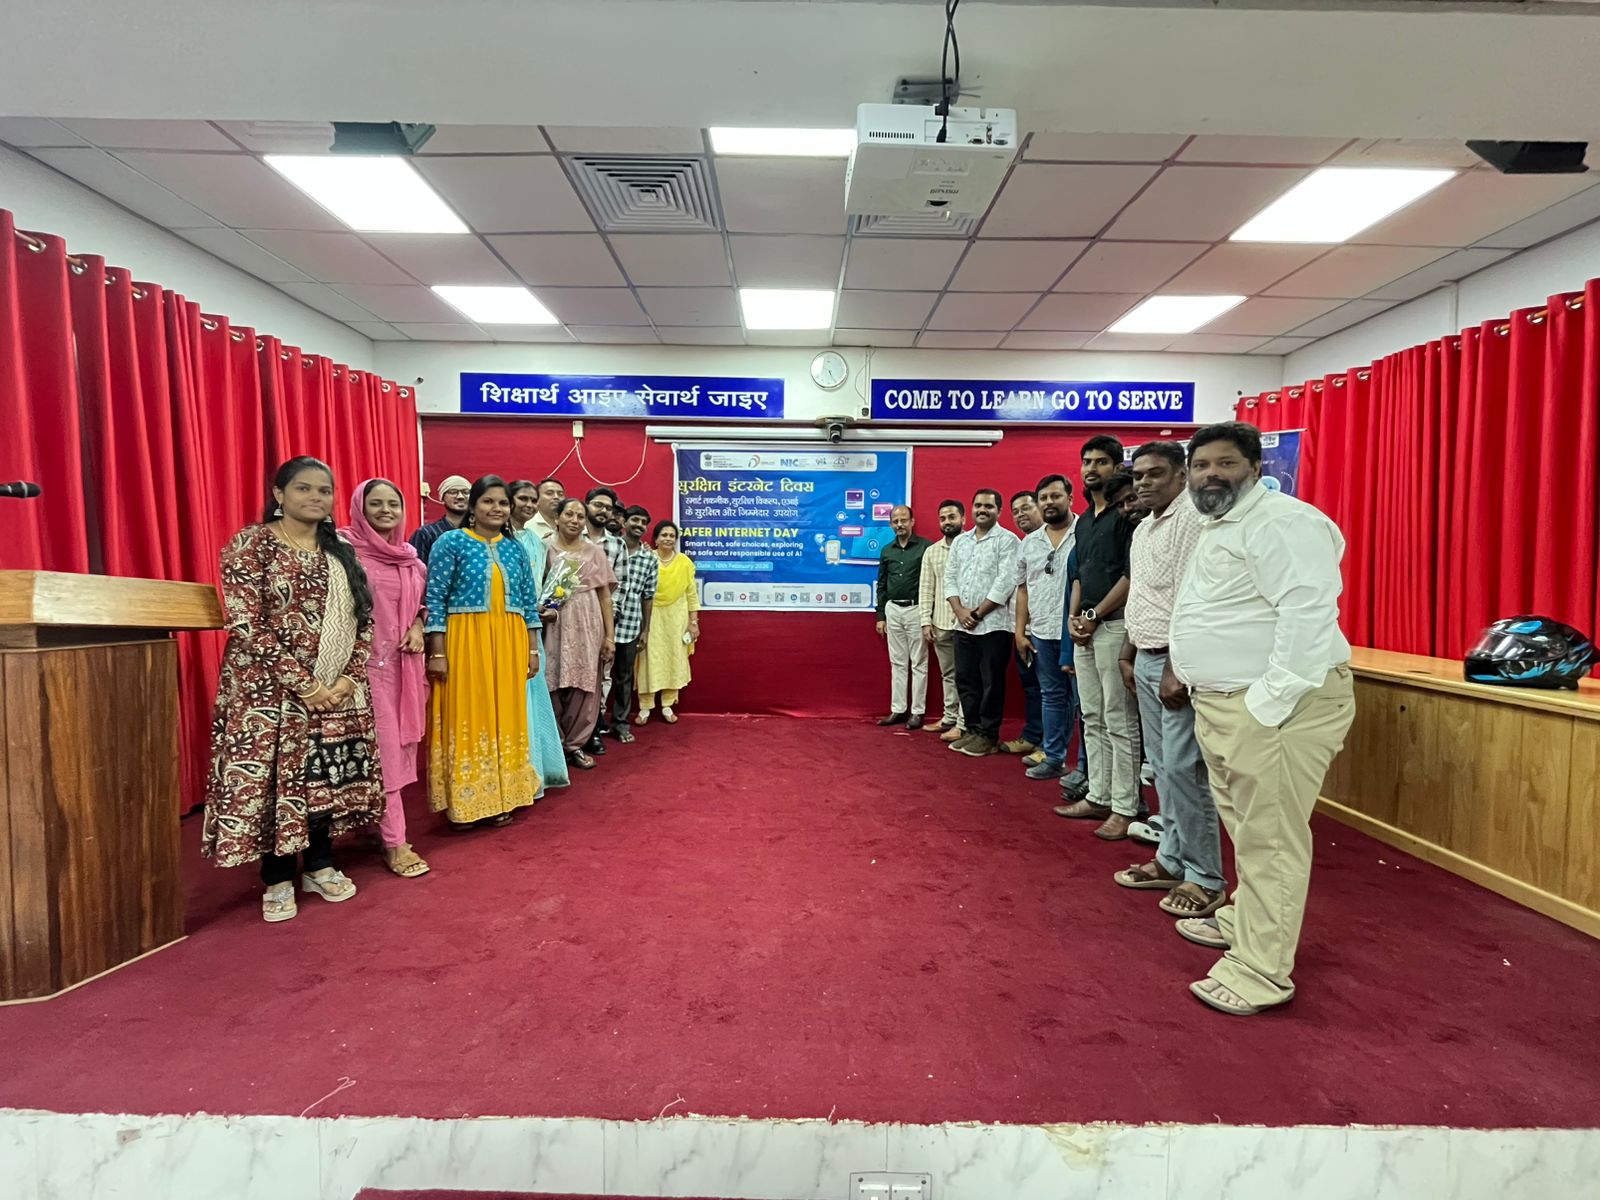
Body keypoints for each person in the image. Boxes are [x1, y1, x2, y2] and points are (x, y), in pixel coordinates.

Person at [1169, 422, 1355, 1017]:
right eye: (1201, 465)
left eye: (1224, 463)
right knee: (1246, 827)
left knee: (1270, 839)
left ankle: (1260, 970)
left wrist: (1266, 705)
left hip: (1274, 708)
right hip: (1224, 704)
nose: (1210, 475)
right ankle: (1243, 922)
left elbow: (1308, 616)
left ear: (1254, 467)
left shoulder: (1284, 522)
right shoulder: (1223, 524)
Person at [203, 456, 385, 923]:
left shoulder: (341, 551)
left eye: (324, 490)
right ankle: (278, 876)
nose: (316, 497)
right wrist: (305, 685)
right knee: (276, 784)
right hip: (267, 692)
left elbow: (364, 619)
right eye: (304, 488)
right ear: (279, 494)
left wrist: (347, 678)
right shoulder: (252, 544)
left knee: (323, 778)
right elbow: (246, 622)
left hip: (336, 691)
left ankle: (320, 864)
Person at [1110, 442, 1225, 918]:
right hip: (1146, 657)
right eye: (1138, 475)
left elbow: (1191, 599)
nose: (1143, 483)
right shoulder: (1145, 528)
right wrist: (1128, 652)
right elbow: (1145, 597)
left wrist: (1176, 666)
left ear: (1182, 475)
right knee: (1161, 767)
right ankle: (1172, 858)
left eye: (1155, 474)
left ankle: (1206, 877)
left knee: (1183, 769)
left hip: (1178, 665)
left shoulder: (1192, 521)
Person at [424, 475, 543, 827]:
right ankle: (467, 802)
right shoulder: (451, 542)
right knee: (468, 713)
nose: (497, 508)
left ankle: (506, 795)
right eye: (488, 501)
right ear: (473, 507)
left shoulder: (515, 548)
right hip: (465, 641)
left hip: (509, 640)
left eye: (503, 502)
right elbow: (435, 599)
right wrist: (437, 652)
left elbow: (529, 603)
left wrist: (532, 650)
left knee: (507, 713)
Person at [341, 478, 431, 879]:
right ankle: (396, 842)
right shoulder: (344, 553)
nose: (385, 511)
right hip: (360, 671)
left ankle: (376, 829)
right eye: (375, 504)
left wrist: (418, 625)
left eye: (393, 504)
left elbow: (421, 606)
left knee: (394, 749)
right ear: (359, 509)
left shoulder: (411, 560)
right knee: (383, 753)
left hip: (403, 669)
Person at [1063, 435, 1142, 840]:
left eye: (1101, 462)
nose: (1091, 469)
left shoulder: (1127, 514)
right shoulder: (1083, 521)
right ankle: (1099, 795)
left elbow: (1131, 575)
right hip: (1085, 629)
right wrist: (1075, 617)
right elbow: (1079, 574)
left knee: (1119, 719)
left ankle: (1126, 807)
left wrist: (1094, 616)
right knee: (1091, 715)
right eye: (1086, 462)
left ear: (1117, 466)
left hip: (1115, 626)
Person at [944, 488, 1020, 758]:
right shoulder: (961, 542)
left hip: (994, 625)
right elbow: (950, 577)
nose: (982, 510)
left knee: (991, 682)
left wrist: (976, 614)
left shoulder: (1008, 541)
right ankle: (972, 730)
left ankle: (988, 735)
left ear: (999, 511)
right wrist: (959, 610)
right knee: (966, 680)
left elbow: (1006, 582)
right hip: (962, 624)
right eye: (978, 505)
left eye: (988, 506)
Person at [543, 497, 618, 768]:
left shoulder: (595, 552)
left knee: (585, 684)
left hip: (588, 623)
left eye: (580, 516)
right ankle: (555, 746)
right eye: (569, 514)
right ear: (557, 518)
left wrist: (609, 637)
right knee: (552, 681)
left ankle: (574, 745)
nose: (575, 520)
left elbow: (605, 597)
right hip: (553, 623)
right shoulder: (543, 549)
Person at [1014, 474, 1077, 782]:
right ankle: (1053, 757)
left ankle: (1088, 768)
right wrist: (1020, 631)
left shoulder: (1084, 532)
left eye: (1055, 496)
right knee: (1051, 695)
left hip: (1078, 633)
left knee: (1083, 703)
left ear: (1070, 498)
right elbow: (1023, 589)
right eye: (1044, 498)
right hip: (1041, 630)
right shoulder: (1030, 542)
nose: (1049, 502)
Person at [511, 503, 572, 795]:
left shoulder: (537, 543)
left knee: (533, 695)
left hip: (532, 627)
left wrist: (549, 607)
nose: (527, 504)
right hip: (503, 626)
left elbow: (548, 583)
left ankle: (537, 766)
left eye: (530, 499)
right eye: (520, 498)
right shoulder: (499, 543)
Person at [636, 520, 699, 724]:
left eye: (672, 536)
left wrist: (693, 622)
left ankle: (667, 704)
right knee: (648, 658)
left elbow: (691, 594)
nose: (668, 539)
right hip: (650, 615)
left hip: (676, 617)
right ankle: (645, 706)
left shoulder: (684, 562)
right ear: (656, 539)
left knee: (674, 657)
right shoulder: (647, 558)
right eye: (664, 535)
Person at [875, 504, 932, 729]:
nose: (899, 524)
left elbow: (933, 582)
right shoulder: (886, 551)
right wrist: (881, 615)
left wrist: (928, 616)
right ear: (891, 524)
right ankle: (898, 709)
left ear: (912, 522)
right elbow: (881, 584)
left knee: (919, 662)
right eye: (895, 521)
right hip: (893, 610)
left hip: (916, 609)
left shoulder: (926, 547)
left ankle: (917, 712)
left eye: (903, 520)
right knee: (897, 662)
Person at [609, 504, 660, 743]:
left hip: (630, 625)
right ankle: (592, 726)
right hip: (602, 624)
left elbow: (648, 596)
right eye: (635, 520)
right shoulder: (609, 547)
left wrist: (645, 630)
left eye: (643, 522)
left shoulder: (649, 558)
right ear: (624, 522)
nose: (639, 525)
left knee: (624, 677)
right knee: (596, 677)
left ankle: (620, 723)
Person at [919, 500, 966, 743]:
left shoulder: (972, 546)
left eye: (952, 517)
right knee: (948, 674)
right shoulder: (932, 551)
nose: (947, 522)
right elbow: (926, 588)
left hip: (968, 624)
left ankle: (963, 723)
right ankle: (949, 717)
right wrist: (926, 621)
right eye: (943, 518)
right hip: (941, 623)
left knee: (966, 676)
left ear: (963, 519)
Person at [1002, 490, 1045, 755]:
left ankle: (1051, 746)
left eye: (1026, 508)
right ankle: (1032, 736)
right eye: (1016, 512)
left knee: (1053, 692)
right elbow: (1021, 590)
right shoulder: (1024, 545)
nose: (1020, 515)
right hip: (1023, 630)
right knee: (1031, 688)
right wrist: (1019, 632)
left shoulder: (1063, 539)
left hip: (1050, 632)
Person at [409, 474, 471, 564]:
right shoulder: (426, 534)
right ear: (442, 498)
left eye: (466, 492)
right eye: (453, 492)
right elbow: (416, 569)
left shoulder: (478, 532)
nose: (460, 496)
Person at [529, 477, 564, 541]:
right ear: (537, 499)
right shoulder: (527, 525)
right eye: (549, 493)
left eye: (560, 494)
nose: (556, 497)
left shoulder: (572, 524)